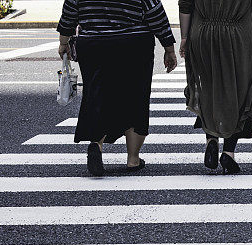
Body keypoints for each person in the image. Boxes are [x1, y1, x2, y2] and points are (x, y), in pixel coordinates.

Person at [57, 0, 177, 177]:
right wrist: (169, 48)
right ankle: (133, 159)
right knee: (136, 97)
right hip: (134, 44)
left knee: (97, 95)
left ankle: (96, 144)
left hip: (94, 44)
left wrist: (63, 41)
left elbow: (69, 12)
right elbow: (155, 13)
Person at [179, 0, 252, 175]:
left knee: (209, 88)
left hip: (203, 32)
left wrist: (184, 37)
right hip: (240, 35)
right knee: (240, 90)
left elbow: (185, 5)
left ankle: (211, 139)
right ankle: (229, 152)